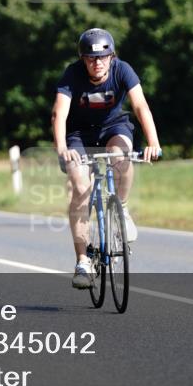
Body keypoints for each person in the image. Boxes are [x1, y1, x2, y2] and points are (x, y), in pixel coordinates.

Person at [51, 28, 161, 290]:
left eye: (103, 57)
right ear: (82, 58)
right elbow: (59, 114)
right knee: (79, 188)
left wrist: (153, 142)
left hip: (114, 128)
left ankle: (120, 206)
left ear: (112, 57)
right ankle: (82, 262)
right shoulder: (72, 74)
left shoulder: (123, 70)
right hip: (79, 135)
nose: (97, 63)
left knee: (121, 156)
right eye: (90, 58)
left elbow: (140, 106)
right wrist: (62, 148)